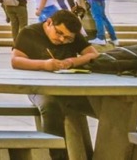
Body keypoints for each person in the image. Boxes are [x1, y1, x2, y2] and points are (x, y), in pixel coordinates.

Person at [11, 10, 99, 160]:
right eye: (59, 33)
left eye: (68, 39)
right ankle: (57, 156)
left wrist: (71, 62)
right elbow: (16, 61)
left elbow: (93, 54)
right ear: (49, 22)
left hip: (70, 87)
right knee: (50, 105)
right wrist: (44, 65)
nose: (62, 39)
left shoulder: (73, 35)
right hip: (39, 87)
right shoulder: (29, 33)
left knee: (109, 107)